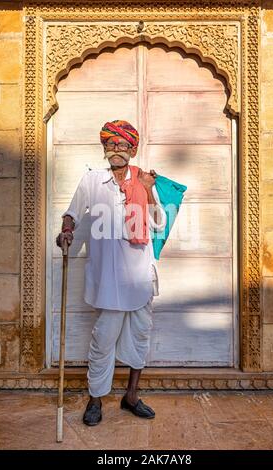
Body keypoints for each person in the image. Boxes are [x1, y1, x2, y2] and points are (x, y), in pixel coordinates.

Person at [56, 119, 167, 426]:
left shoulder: (143, 179)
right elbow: (72, 213)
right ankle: (96, 399)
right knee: (103, 339)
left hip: (139, 274)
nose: (116, 150)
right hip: (107, 277)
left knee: (140, 336)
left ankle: (131, 396)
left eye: (123, 145)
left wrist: (149, 192)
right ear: (104, 147)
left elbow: (158, 223)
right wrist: (66, 231)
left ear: (133, 149)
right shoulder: (92, 180)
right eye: (111, 144)